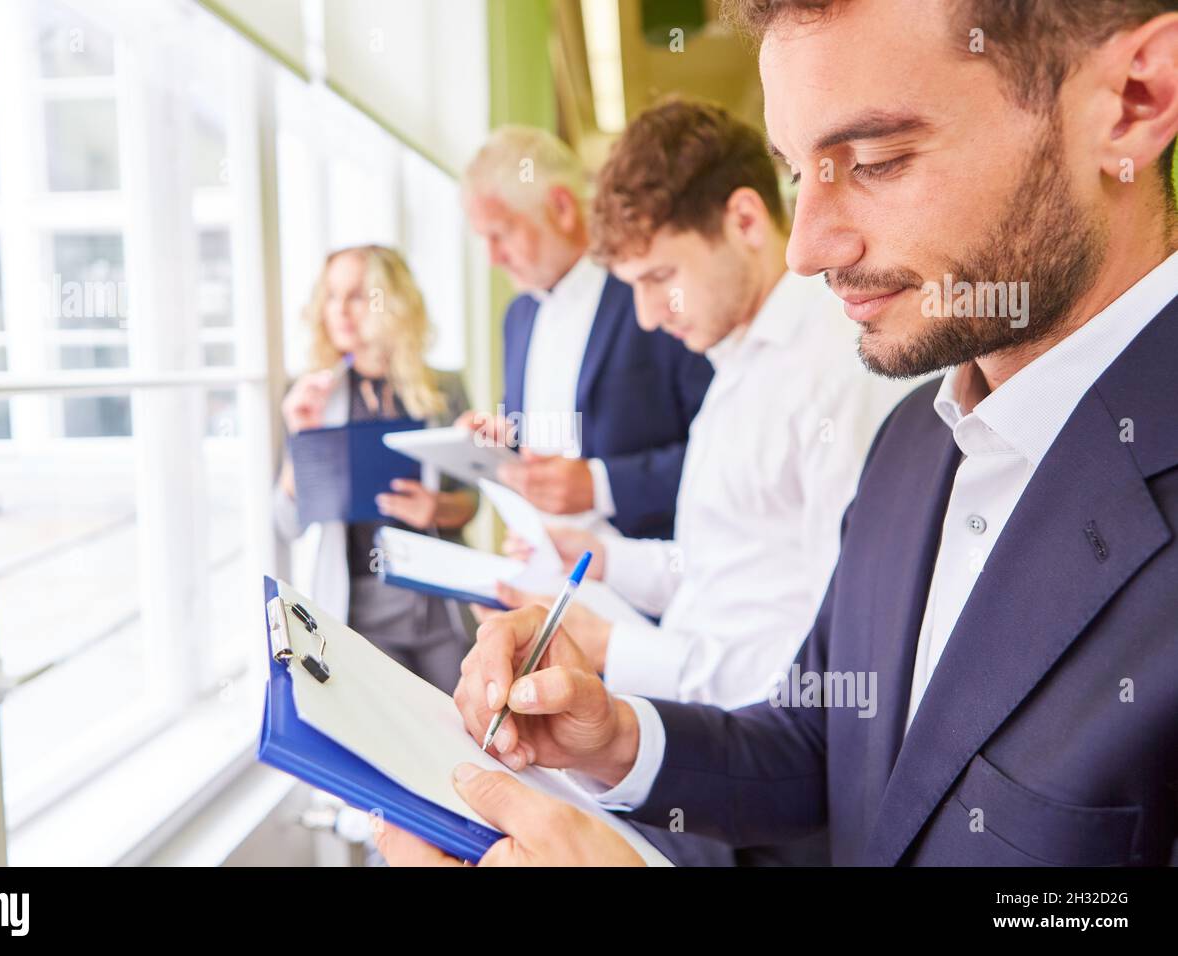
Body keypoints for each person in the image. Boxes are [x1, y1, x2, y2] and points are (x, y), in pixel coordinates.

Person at [377, 0, 1178, 866]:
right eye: (801, 174)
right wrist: (617, 739)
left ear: (1132, 101)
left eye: (876, 160)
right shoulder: (918, 439)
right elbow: (823, 742)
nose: (807, 251)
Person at [489, 98, 918, 865]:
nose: (649, 316)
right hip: (703, 753)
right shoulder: (733, 362)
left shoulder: (842, 371)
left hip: (768, 794)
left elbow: (843, 655)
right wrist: (600, 559)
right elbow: (724, 567)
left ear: (746, 222)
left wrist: (615, 647)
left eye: (660, 278)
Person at [460, 126, 713, 539]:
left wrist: (601, 487)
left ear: (561, 207)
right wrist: (496, 440)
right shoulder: (518, 315)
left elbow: (720, 449)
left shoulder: (652, 293)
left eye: (500, 234)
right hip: (542, 568)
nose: (492, 258)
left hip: (651, 578)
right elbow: (532, 435)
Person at [272, 244, 476, 695]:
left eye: (359, 295)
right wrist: (301, 438)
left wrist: (437, 509)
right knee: (390, 743)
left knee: (466, 731)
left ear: (393, 302)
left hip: (438, 600)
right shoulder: (313, 396)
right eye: (331, 296)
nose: (340, 310)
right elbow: (286, 523)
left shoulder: (442, 389)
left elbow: (471, 502)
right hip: (361, 610)